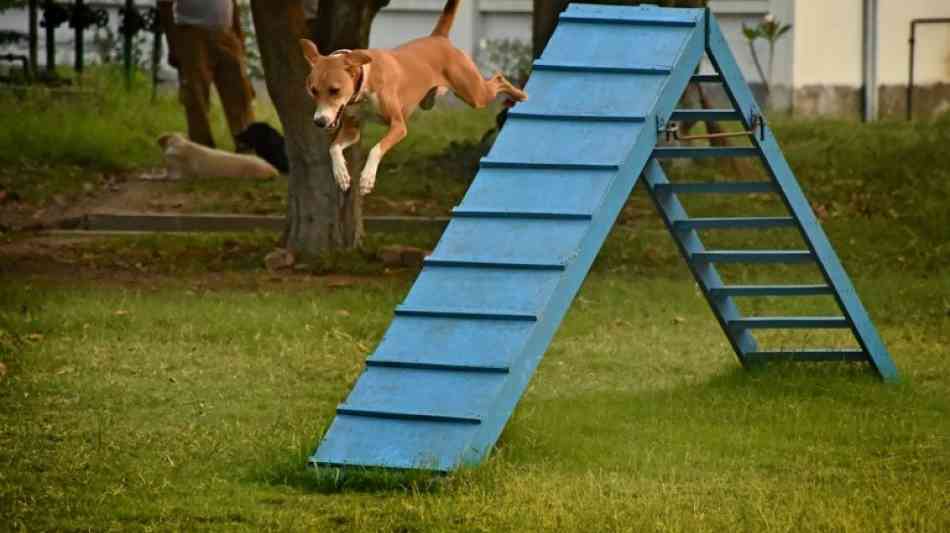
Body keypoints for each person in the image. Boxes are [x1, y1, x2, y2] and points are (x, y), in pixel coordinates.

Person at [157, 0, 256, 150]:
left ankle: (248, 147)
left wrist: (239, 37)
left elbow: (233, 3)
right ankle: (202, 149)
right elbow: (165, 4)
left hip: (226, 32)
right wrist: (173, 44)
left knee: (240, 92)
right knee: (196, 96)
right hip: (191, 33)